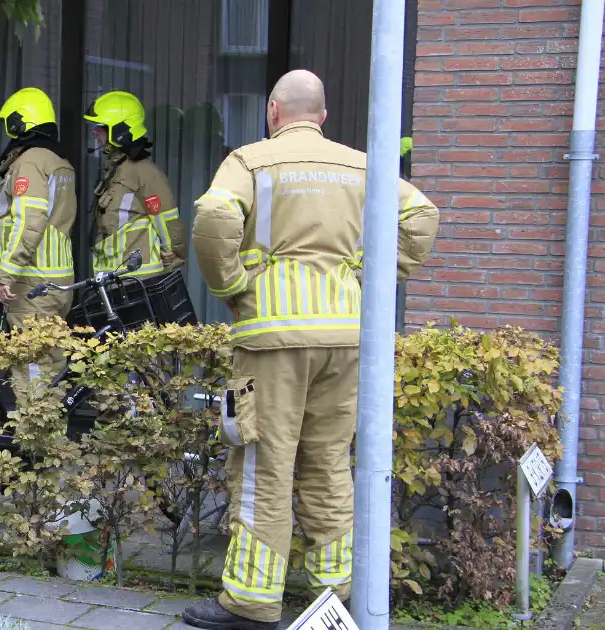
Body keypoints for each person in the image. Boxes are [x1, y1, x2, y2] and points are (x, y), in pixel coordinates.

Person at [181, 70, 439, 630]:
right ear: (322, 116)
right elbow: (421, 216)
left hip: (272, 337)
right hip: (346, 338)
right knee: (328, 464)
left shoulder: (249, 161)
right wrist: (369, 279)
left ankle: (251, 604)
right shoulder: (361, 164)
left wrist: (231, 288)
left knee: (262, 465)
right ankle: (337, 595)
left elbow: (214, 218)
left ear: (274, 110)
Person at [0, 87, 77, 404]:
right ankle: (51, 443)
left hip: (31, 283)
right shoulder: (59, 161)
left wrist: (5, 274)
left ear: (18, 123)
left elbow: (29, 221)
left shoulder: (29, 163)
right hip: (58, 283)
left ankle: (33, 444)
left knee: (31, 365)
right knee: (53, 361)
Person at [83, 90, 187, 278]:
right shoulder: (115, 170)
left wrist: (174, 255)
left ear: (120, 131)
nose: (95, 132)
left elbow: (168, 223)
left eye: (101, 127)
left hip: (139, 283)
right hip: (113, 280)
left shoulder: (145, 173)